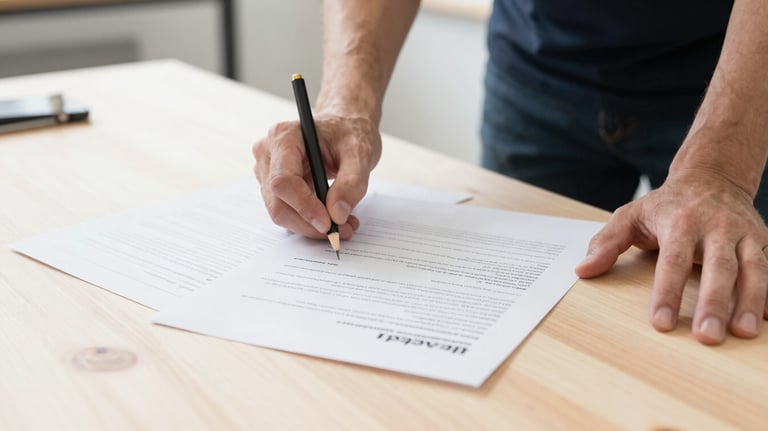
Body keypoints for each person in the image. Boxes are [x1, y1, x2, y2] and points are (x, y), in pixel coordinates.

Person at [252, 0, 768, 345]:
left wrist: (720, 169)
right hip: (536, 71)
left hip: (740, 82)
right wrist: (346, 105)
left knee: (727, 324)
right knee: (527, 331)